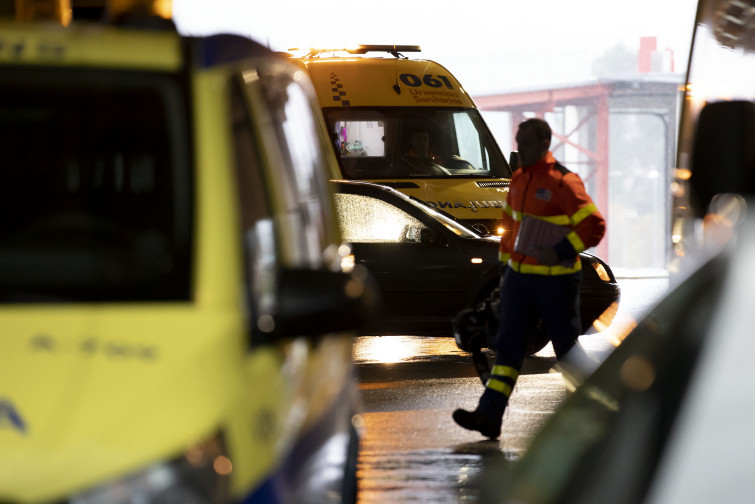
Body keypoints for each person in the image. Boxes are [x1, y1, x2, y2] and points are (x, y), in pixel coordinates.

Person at [452, 118, 606, 439]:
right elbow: (510, 233)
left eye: (525, 143)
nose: (518, 149)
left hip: (556, 282)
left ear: (543, 145)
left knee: (566, 350)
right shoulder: (519, 180)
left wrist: (562, 248)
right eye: (518, 141)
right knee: (508, 351)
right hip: (520, 282)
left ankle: (603, 407)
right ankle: (489, 416)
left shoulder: (563, 182)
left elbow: (594, 226)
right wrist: (506, 275)